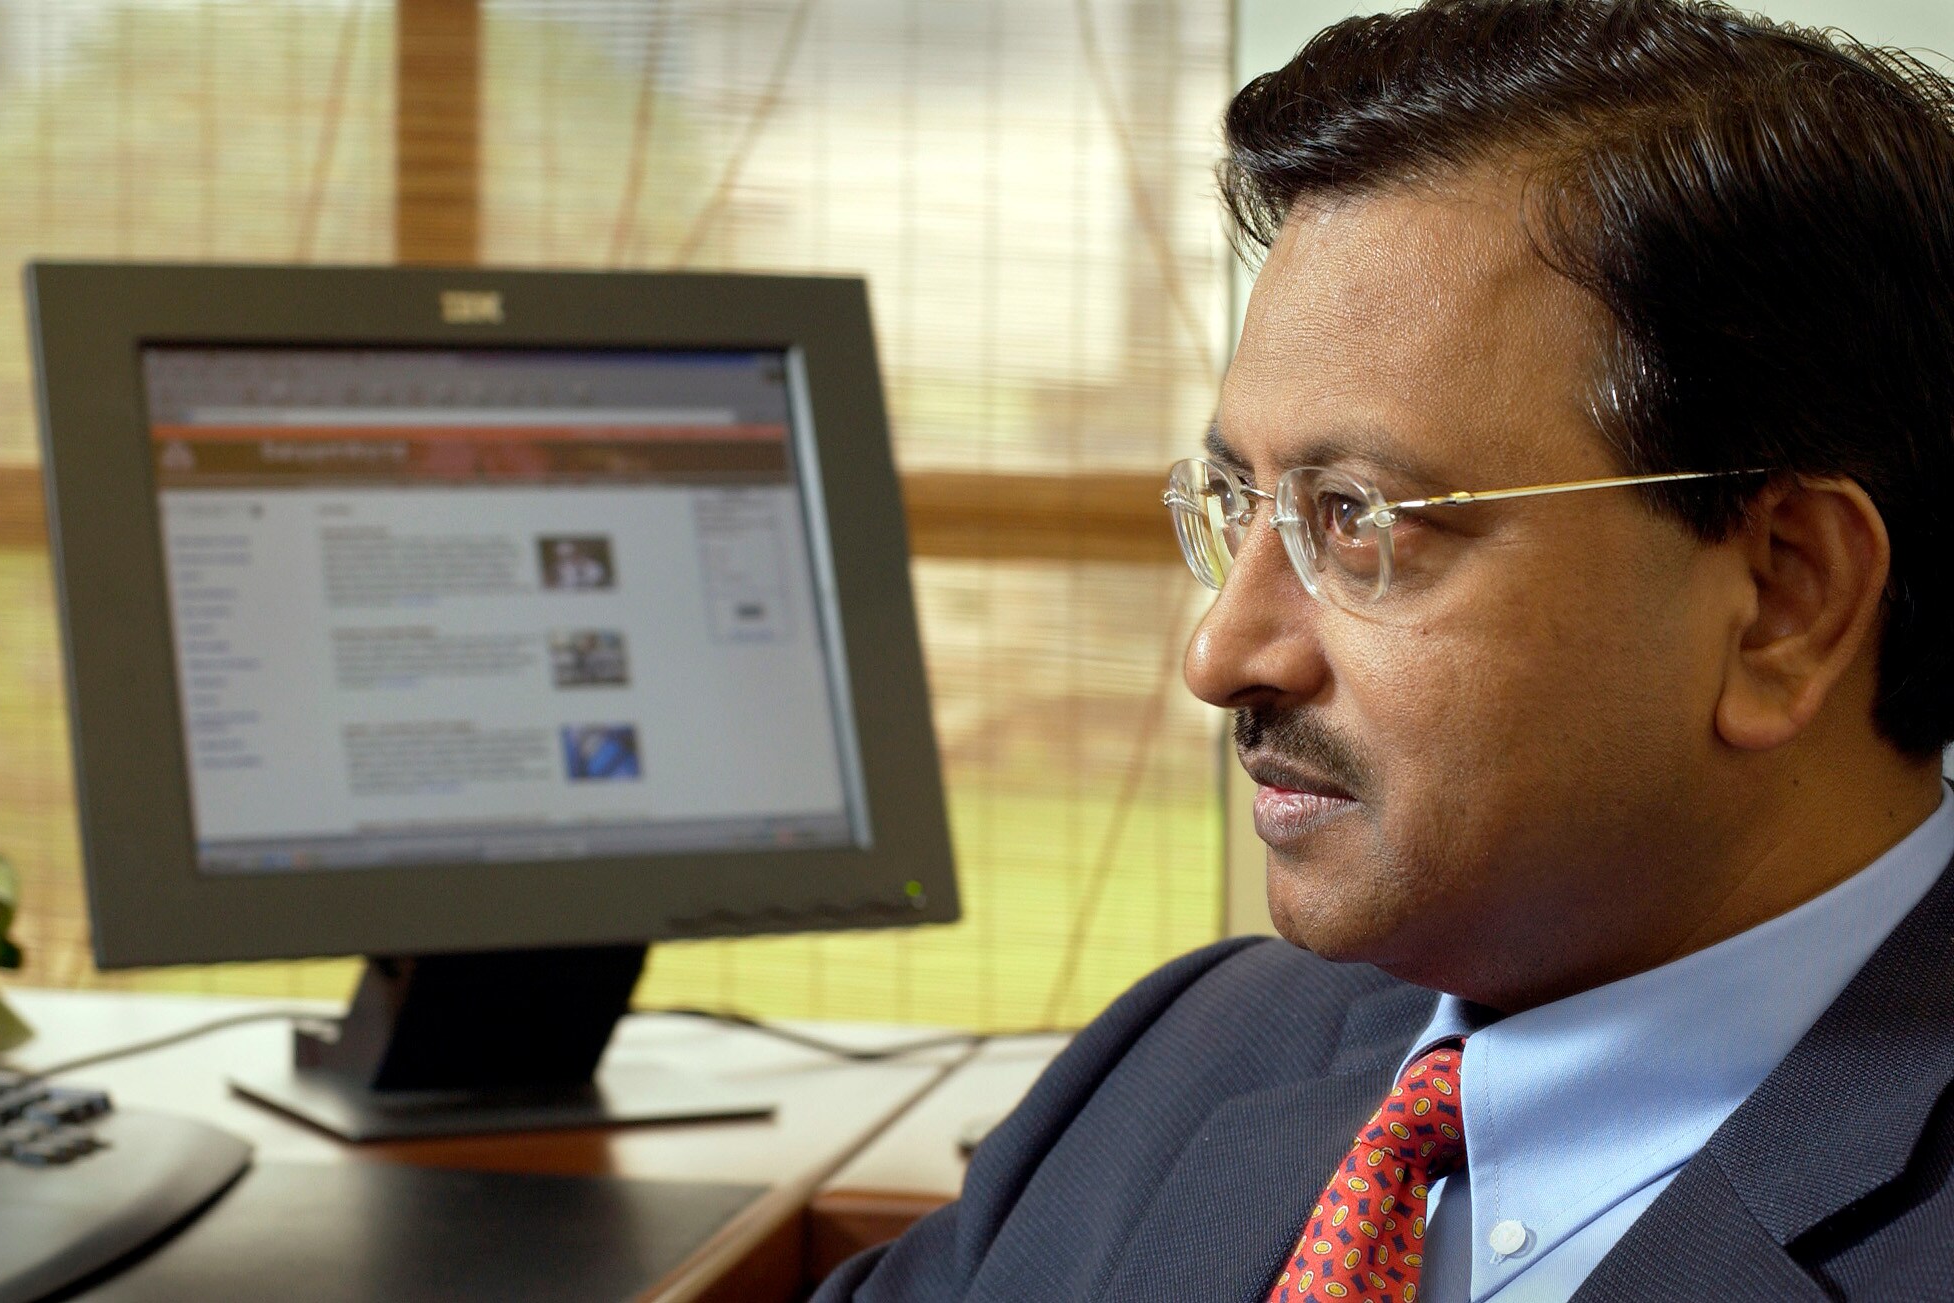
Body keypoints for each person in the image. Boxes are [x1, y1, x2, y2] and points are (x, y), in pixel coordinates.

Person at [813, 2, 1954, 1300]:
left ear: (1782, 601)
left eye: (1355, 520)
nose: (1221, 651)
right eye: (1241, 503)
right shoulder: (1188, 1054)